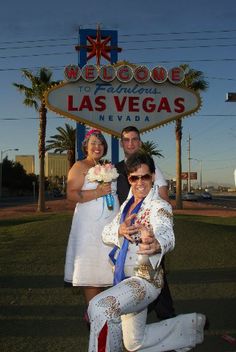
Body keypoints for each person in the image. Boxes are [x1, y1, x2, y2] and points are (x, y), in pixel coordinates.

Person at [88, 152, 206, 352]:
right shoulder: (127, 204)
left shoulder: (159, 206)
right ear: (129, 179)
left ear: (153, 176)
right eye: (135, 177)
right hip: (124, 278)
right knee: (134, 341)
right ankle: (192, 327)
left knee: (101, 308)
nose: (140, 182)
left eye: (145, 176)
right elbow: (105, 234)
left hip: (145, 279)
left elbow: (166, 232)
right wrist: (119, 230)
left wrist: (157, 243)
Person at [116, 125, 175, 320]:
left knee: (156, 278)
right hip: (125, 233)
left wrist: (154, 232)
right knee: (127, 277)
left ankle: (168, 319)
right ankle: (132, 321)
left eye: (134, 139)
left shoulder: (151, 166)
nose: (130, 143)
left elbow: (164, 200)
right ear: (122, 143)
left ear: (139, 143)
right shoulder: (115, 169)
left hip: (147, 235)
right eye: (126, 140)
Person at [64, 129, 119, 306]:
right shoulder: (79, 166)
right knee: (91, 270)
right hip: (89, 227)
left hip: (110, 225)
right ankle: (93, 314)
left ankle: (106, 313)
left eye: (101, 143)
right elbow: (71, 194)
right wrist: (97, 192)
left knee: (107, 268)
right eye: (93, 142)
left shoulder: (106, 166)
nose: (97, 146)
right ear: (85, 146)